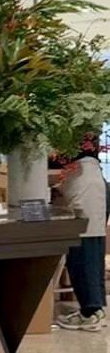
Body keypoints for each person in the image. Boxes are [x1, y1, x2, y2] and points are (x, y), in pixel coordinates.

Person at [56, 136, 107, 331]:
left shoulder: (80, 162)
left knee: (84, 258)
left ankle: (89, 313)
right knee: (92, 258)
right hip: (91, 191)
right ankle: (96, 309)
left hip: (86, 197)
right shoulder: (89, 163)